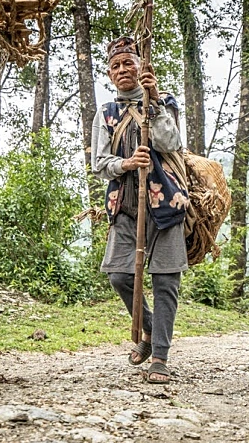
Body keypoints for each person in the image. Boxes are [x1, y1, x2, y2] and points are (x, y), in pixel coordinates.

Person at [91, 36, 189, 384]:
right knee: (119, 275)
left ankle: (160, 356)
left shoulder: (164, 102)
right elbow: (99, 163)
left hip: (166, 205)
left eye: (128, 63)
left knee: (165, 281)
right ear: (109, 73)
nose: (122, 70)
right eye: (115, 66)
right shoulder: (106, 113)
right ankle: (148, 329)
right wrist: (128, 163)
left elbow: (171, 143)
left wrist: (157, 101)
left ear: (141, 67)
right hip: (126, 206)